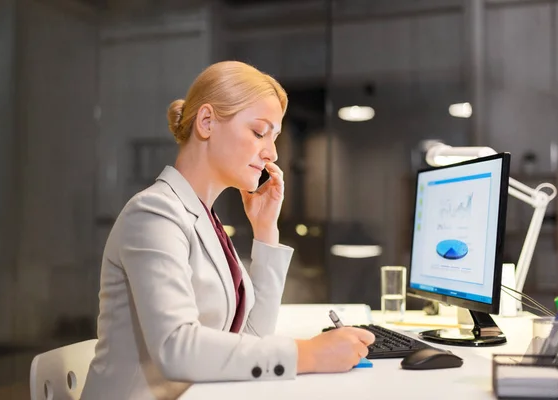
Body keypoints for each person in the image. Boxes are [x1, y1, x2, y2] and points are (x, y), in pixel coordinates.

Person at [81, 61, 375, 400]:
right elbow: (176, 348)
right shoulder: (154, 213)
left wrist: (265, 231)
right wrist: (309, 354)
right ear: (207, 123)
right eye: (259, 131)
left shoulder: (206, 220)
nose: (272, 153)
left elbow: (251, 336)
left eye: (275, 136)